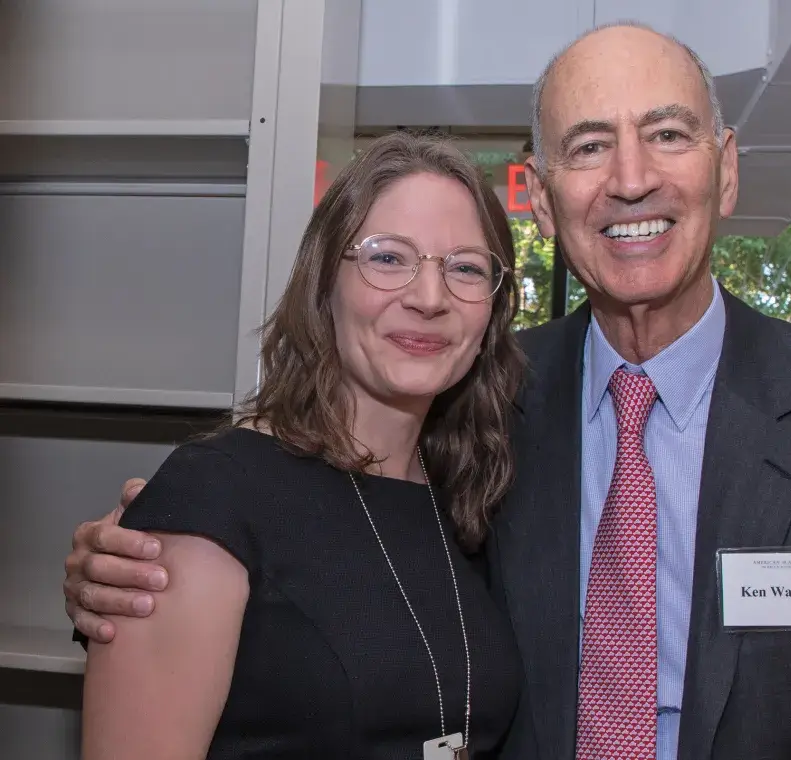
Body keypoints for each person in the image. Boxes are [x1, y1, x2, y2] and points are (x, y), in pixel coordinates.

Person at [64, 22, 791, 760]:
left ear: (725, 168)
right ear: (546, 190)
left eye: (668, 134)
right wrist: (142, 567)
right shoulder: (486, 407)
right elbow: (304, 550)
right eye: (589, 145)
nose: (630, 177)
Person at [77, 130, 527, 760]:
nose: (430, 299)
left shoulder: (466, 496)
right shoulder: (215, 495)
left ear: (492, 311)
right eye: (388, 257)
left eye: (466, 269)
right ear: (325, 283)